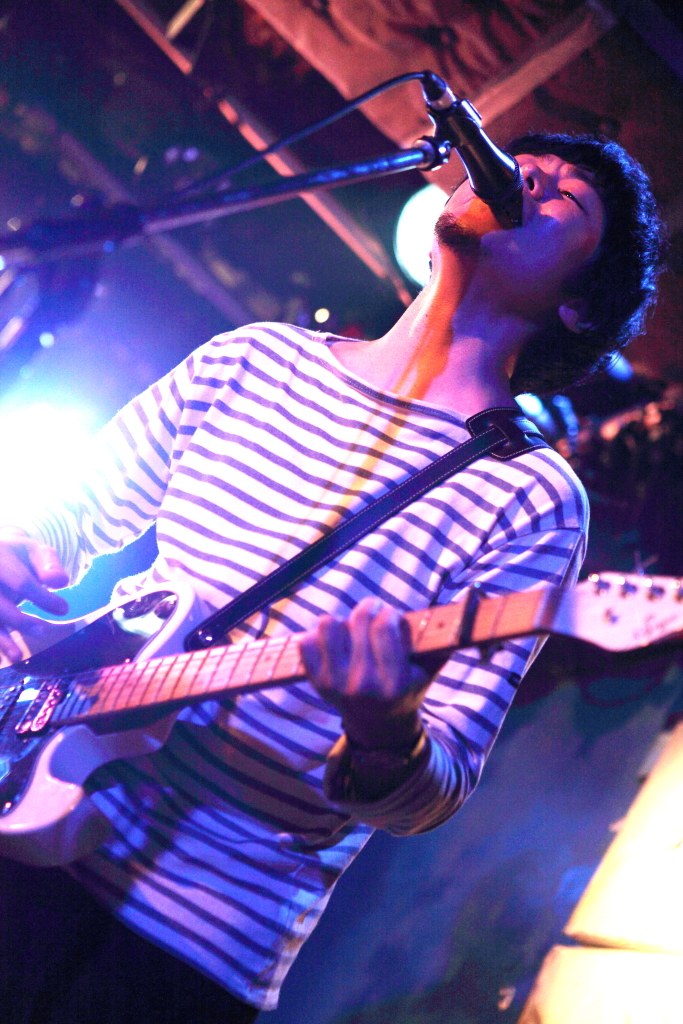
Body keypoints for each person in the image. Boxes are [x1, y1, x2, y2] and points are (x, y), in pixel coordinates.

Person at [0, 133, 663, 1023]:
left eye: (565, 199)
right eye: (523, 165)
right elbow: (67, 518)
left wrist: (385, 728)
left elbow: (435, 789)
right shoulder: (252, 360)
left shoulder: (532, 497)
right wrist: (19, 553)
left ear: (580, 306)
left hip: (192, 936)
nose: (527, 178)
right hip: (23, 795)